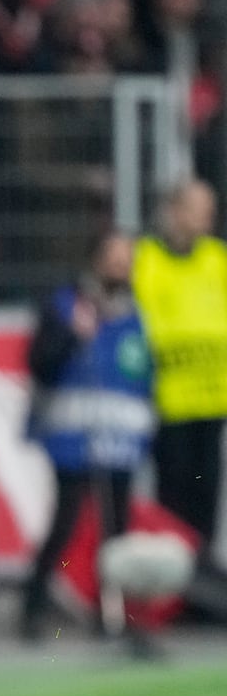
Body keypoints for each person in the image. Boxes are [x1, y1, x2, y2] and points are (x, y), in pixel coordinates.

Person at [21, 231, 155, 649]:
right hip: (72, 436)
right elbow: (39, 365)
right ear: (97, 261)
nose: (122, 267)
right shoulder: (65, 306)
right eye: (115, 258)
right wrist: (74, 334)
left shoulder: (136, 311)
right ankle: (33, 606)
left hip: (121, 440)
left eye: (127, 259)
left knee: (117, 530)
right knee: (66, 523)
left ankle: (111, 613)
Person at [132, 179, 227, 579]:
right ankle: (170, 585)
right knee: (172, 500)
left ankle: (201, 587)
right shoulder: (147, 259)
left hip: (212, 402)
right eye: (198, 208)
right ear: (174, 211)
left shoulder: (216, 259)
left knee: (206, 498)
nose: (207, 217)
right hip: (167, 403)